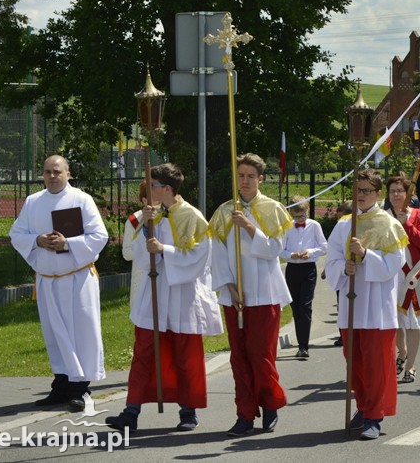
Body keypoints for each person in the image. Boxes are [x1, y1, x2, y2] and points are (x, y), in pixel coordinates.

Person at [106, 163, 223, 433]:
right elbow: (138, 255)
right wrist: (146, 233)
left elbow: (200, 259)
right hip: (154, 292)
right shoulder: (152, 215)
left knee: (185, 354)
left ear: (167, 189)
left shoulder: (192, 217)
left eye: (154, 185)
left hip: (182, 294)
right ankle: (131, 411)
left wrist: (165, 251)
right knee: (144, 352)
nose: (150, 189)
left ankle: (188, 412)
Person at [10, 155, 109, 411]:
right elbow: (16, 234)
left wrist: (68, 244)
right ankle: (61, 385)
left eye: (56, 171)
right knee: (54, 334)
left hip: (77, 278)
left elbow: (100, 236)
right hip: (48, 281)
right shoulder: (33, 202)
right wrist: (37, 240)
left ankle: (80, 389)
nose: (51, 176)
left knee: (81, 333)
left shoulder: (82, 199)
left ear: (68, 173)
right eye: (47, 172)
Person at [209, 153, 293, 437]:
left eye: (249, 176)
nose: (244, 181)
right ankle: (244, 413)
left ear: (260, 179)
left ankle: (270, 404)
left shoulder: (273, 209)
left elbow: (274, 250)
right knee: (239, 356)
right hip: (235, 295)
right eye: (240, 176)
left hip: (265, 293)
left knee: (260, 353)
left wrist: (249, 226)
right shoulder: (223, 211)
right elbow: (217, 253)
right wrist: (227, 285)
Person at [325, 168, 408, 440]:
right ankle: (363, 405)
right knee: (354, 361)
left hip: (377, 306)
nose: (361, 195)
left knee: (376, 363)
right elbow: (331, 260)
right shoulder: (343, 224)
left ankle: (374, 415)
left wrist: (366, 255)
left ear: (378, 193)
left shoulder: (389, 224)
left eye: (366, 191)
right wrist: (343, 266)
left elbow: (395, 264)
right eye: (357, 190)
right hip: (351, 302)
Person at [385, 175, 420, 385]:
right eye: (392, 191)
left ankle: (411, 364)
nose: (396, 195)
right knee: (394, 321)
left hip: (415, 273)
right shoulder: (383, 216)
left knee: (413, 323)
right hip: (392, 274)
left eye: (400, 191)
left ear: (408, 194)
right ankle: (403, 351)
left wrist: (407, 224)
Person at [281, 195, 328, 360]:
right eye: (297, 216)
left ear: (307, 211)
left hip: (308, 269)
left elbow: (324, 247)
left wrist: (311, 252)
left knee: (306, 306)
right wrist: (292, 254)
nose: (300, 218)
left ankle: (303, 346)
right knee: (295, 307)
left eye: (303, 215)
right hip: (293, 269)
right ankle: (300, 340)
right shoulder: (286, 227)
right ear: (291, 214)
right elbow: (280, 250)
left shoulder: (314, 225)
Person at [122, 181, 149, 307]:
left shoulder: (170, 218)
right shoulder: (134, 221)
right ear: (144, 200)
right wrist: (146, 247)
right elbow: (127, 253)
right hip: (142, 277)